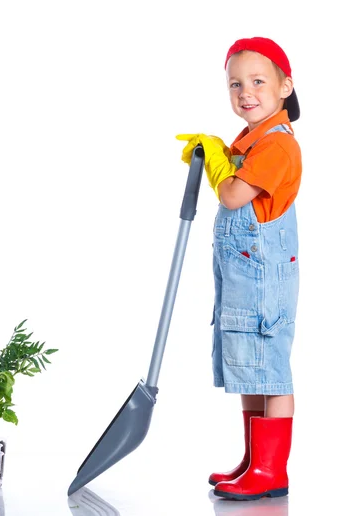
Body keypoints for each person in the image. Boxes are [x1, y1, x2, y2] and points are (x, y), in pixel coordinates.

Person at [176, 37, 302, 501]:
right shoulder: (251, 141)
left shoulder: (278, 146)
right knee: (251, 369)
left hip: (263, 280)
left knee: (270, 369)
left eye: (257, 81)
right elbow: (237, 175)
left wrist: (214, 162)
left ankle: (273, 471)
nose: (245, 92)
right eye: (235, 84)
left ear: (285, 87)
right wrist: (217, 152)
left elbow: (232, 195)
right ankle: (255, 461)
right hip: (244, 276)